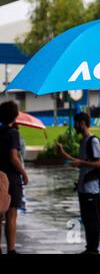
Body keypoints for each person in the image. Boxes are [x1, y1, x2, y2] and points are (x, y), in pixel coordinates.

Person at [58, 112, 100, 254]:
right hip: (83, 187)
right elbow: (81, 162)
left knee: (92, 220)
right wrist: (63, 153)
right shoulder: (84, 141)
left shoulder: (93, 141)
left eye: (77, 123)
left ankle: (93, 249)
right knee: (86, 219)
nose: (75, 127)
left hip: (91, 188)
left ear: (82, 123)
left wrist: (81, 162)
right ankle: (89, 248)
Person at [0, 101, 29, 255]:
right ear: (15, 115)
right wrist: (24, 173)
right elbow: (13, 157)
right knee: (11, 215)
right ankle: (11, 250)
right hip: (11, 178)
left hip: (0, 176)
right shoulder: (13, 133)